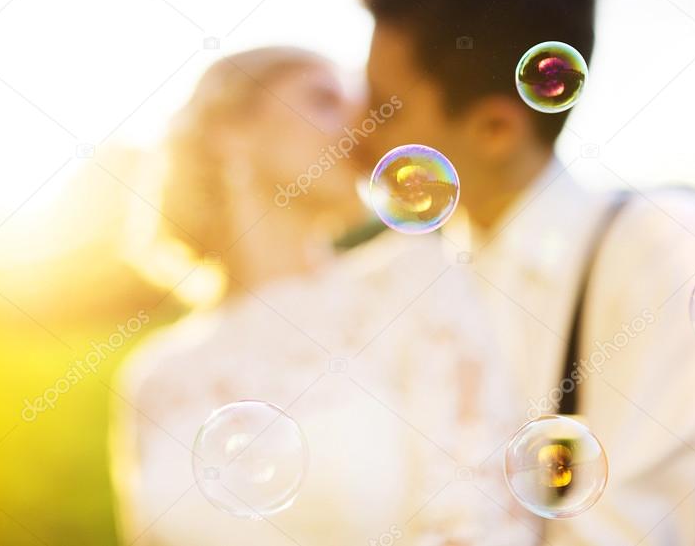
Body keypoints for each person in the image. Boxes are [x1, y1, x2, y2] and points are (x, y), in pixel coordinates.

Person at [355, 0, 695, 545]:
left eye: (383, 107)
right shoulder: (391, 278)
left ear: (495, 127)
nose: (353, 131)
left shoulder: (660, 247)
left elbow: (638, 532)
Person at [109, 46, 532, 545]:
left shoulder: (415, 286)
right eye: (323, 99)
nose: (358, 129)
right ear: (231, 131)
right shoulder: (154, 376)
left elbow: (482, 524)